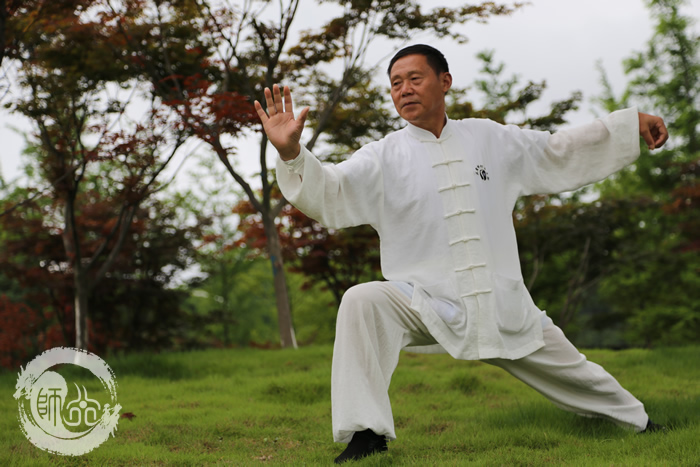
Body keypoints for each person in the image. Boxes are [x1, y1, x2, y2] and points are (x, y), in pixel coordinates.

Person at [254, 44, 669, 464]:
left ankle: (639, 422)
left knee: (574, 370)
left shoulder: (489, 138)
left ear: (445, 81)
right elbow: (333, 189)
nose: (404, 90)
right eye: (395, 84)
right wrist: (291, 154)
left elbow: (557, 149)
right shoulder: (383, 157)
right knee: (363, 300)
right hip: (424, 301)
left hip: (498, 301)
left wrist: (627, 125)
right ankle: (366, 434)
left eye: (414, 79)